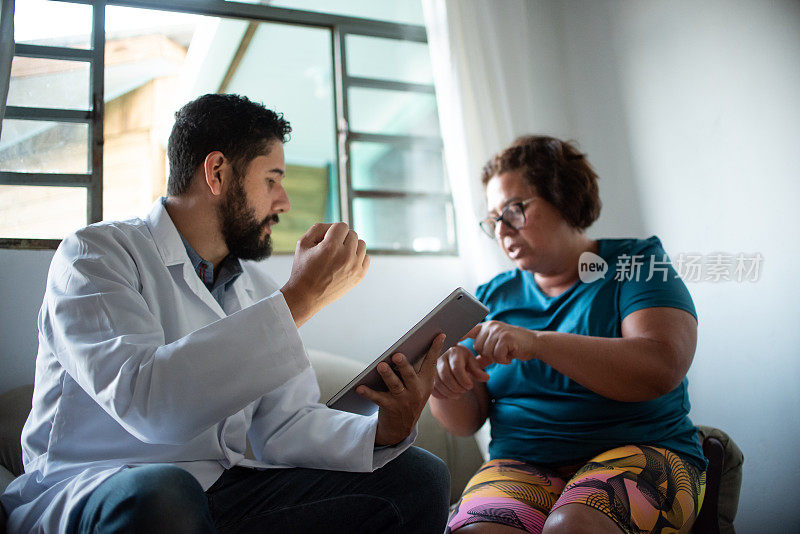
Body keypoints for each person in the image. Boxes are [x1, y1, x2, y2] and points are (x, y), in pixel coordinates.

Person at [0, 93, 450, 533]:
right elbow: (149, 406)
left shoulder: (257, 289)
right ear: (216, 172)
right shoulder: (96, 257)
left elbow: (284, 425)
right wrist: (302, 298)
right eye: (272, 179)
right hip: (99, 488)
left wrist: (381, 432)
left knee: (417, 478)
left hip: (220, 494)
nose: (284, 202)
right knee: (165, 494)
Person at [430, 135, 707, 534]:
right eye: (494, 219)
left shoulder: (636, 264)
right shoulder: (491, 297)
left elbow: (661, 366)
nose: (503, 230)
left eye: (514, 209)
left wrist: (537, 342)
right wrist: (446, 381)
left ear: (563, 196)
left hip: (644, 451)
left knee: (574, 525)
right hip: (522, 464)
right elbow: (464, 423)